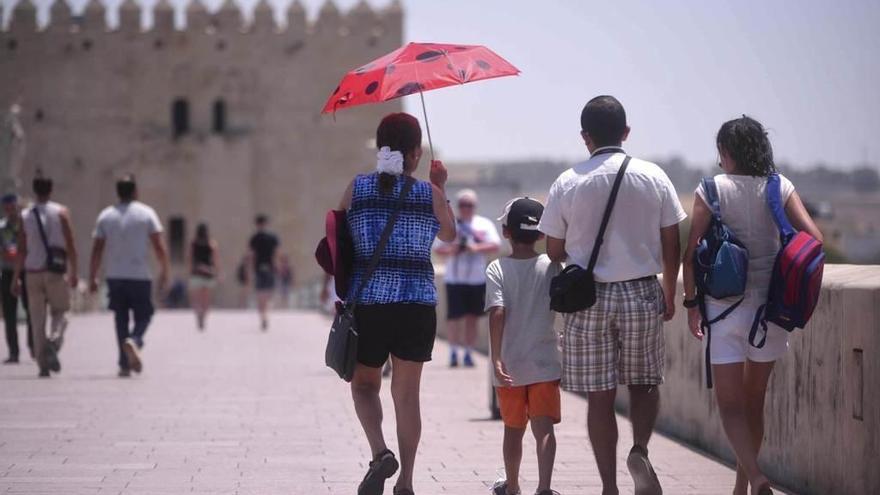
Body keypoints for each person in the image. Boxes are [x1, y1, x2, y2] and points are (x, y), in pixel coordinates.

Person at [538, 96, 686, 495]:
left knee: (599, 397)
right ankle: (639, 448)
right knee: (644, 383)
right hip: (641, 291)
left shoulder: (568, 181)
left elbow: (552, 250)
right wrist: (669, 292)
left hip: (589, 298)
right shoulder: (653, 176)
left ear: (585, 137)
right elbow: (672, 243)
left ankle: (609, 487)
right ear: (626, 133)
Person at [682, 116, 822, 495]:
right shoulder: (780, 187)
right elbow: (814, 238)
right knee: (754, 402)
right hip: (772, 311)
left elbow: (692, 251)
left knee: (730, 407)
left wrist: (692, 304)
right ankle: (741, 486)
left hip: (723, 308)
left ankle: (756, 478)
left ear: (726, 153)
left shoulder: (711, 189)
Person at [338, 112, 455, 495]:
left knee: (364, 387)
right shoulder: (428, 193)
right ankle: (406, 482)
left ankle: (380, 452)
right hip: (417, 305)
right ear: (416, 152)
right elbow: (451, 235)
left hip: (369, 303)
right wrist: (439, 187)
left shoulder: (357, 189)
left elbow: (336, 237)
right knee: (407, 396)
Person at [486, 197, 563, 495]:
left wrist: (496, 359)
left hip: (511, 366)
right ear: (542, 234)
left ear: (506, 232)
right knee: (544, 428)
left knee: (513, 429)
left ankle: (513, 486)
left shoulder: (497, 269)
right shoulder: (553, 266)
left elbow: (497, 312)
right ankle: (544, 489)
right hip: (544, 362)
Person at [88, 174, 169, 378]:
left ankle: (124, 364)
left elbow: (97, 249)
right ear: (135, 191)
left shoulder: (106, 215)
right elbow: (159, 245)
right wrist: (165, 269)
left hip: (115, 276)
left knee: (120, 318)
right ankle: (136, 340)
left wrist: (92, 276)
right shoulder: (146, 213)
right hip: (139, 275)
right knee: (145, 315)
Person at [12, 174, 78, 378]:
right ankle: (55, 339)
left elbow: (21, 249)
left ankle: (42, 365)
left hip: (32, 272)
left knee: (37, 318)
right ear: (51, 189)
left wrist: (16, 277)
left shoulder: (25, 216)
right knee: (62, 311)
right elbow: (70, 244)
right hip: (55, 271)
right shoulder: (61, 212)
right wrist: (74, 270)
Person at [433, 189, 500, 367]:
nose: (466, 208)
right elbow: (438, 248)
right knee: (454, 318)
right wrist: (454, 249)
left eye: (469, 205)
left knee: (472, 317)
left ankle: (469, 353)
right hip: (454, 278)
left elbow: (495, 245)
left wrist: (475, 248)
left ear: (475, 206)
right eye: (462, 205)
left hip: (476, 279)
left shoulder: (483, 224)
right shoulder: (452, 224)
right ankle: (454, 352)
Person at [1, 193, 32, 363]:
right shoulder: (2, 228)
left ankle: (33, 346)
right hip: (7, 272)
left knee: (31, 311)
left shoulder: (26, 226)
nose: (10, 211)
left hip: (26, 271)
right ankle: (14, 352)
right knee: (10, 314)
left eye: (12, 208)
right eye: (7, 208)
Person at [248, 214, 279, 330]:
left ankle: (263, 317)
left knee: (260, 296)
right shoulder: (272, 238)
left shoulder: (254, 238)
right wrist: (278, 267)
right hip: (270, 269)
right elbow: (276, 254)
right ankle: (265, 315)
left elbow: (252, 256)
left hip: (259, 269)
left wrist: (249, 271)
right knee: (268, 295)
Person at [188, 223, 218, 330]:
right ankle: (203, 317)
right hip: (208, 273)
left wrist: (190, 271)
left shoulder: (193, 243)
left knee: (196, 298)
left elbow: (190, 258)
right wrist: (216, 272)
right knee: (206, 299)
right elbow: (215, 260)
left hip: (196, 272)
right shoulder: (211, 243)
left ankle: (198, 315)